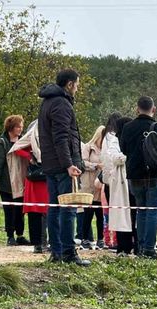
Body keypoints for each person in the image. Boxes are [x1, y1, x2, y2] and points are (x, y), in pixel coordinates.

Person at [38, 68, 90, 266]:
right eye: (77, 84)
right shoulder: (62, 104)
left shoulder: (48, 102)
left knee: (54, 208)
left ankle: (57, 252)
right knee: (67, 208)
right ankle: (68, 253)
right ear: (69, 84)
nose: (78, 88)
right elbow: (61, 138)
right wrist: (69, 164)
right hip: (62, 166)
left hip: (51, 164)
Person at [120, 96, 157, 259]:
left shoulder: (127, 127)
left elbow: (124, 150)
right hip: (156, 176)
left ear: (137, 109)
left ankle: (141, 247)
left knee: (141, 211)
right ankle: (150, 249)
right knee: (153, 212)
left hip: (135, 176)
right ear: (153, 109)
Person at [7, 120, 50, 254]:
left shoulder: (49, 137)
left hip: (46, 179)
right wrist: (30, 156)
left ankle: (44, 242)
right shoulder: (31, 136)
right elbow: (17, 148)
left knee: (46, 211)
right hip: (35, 179)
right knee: (35, 212)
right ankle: (38, 244)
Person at [0, 115, 30, 247]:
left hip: (21, 181)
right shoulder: (2, 143)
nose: (20, 129)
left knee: (20, 210)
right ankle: (10, 236)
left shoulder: (23, 141)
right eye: (18, 126)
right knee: (9, 209)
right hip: (6, 183)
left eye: (21, 126)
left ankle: (20, 235)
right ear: (11, 127)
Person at [102, 115, 137, 256]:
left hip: (132, 181)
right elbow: (113, 157)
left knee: (134, 215)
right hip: (120, 183)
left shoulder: (133, 140)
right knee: (122, 214)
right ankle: (123, 245)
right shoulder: (114, 141)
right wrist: (128, 156)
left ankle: (135, 244)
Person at [80, 125, 106, 250]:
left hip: (100, 185)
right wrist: (96, 166)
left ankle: (100, 238)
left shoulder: (106, 149)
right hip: (88, 183)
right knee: (88, 213)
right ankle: (85, 238)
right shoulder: (87, 147)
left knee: (100, 213)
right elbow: (82, 163)